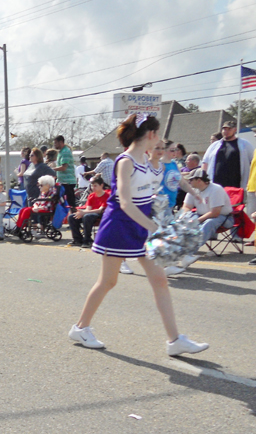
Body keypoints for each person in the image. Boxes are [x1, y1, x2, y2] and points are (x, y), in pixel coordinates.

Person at [69, 113, 208, 356]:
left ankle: (174, 340)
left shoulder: (146, 160)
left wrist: (192, 194)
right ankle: (80, 328)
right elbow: (124, 202)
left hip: (141, 227)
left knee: (159, 280)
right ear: (152, 135)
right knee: (108, 282)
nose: (161, 142)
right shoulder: (125, 162)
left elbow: (157, 187)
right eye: (159, 135)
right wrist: (156, 228)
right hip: (119, 227)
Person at [164, 168, 233, 277]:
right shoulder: (193, 190)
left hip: (223, 218)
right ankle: (175, 253)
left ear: (199, 180)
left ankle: (188, 253)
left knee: (208, 223)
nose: (189, 182)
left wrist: (196, 221)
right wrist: (183, 218)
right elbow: (186, 206)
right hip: (202, 215)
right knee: (182, 221)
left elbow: (215, 212)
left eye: (191, 180)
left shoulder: (216, 189)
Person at [201, 120, 254, 190]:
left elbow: (253, 161)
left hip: (236, 186)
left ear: (235, 130)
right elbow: (205, 162)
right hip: (216, 185)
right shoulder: (214, 145)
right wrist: (203, 178)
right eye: (224, 129)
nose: (226, 131)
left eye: (229, 129)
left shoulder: (245, 144)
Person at [66, 175, 108, 248]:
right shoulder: (91, 195)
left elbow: (100, 210)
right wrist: (80, 212)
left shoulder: (106, 195)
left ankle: (87, 239)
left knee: (87, 216)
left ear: (101, 185)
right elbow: (88, 208)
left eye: (95, 186)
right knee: (72, 217)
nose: (93, 188)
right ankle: (77, 239)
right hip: (90, 213)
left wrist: (84, 213)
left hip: (102, 214)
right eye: (92, 186)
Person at [53, 135, 77, 210]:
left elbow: (64, 167)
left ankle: (73, 217)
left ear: (61, 142)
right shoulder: (61, 151)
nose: (54, 145)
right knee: (63, 202)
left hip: (67, 182)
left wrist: (52, 169)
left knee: (70, 203)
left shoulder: (65, 152)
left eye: (56, 143)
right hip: (63, 181)